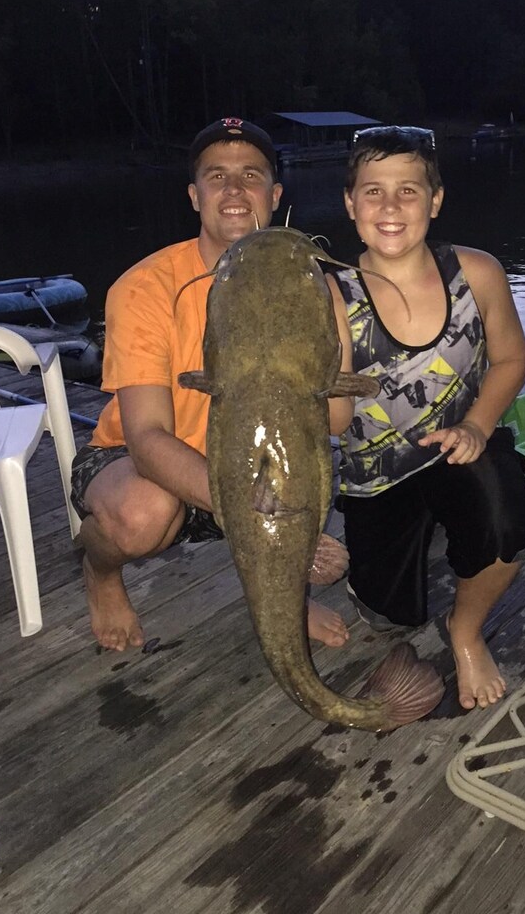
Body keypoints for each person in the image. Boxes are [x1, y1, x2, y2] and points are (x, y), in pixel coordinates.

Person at [71, 118, 354, 652]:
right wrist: (266, 517)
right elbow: (149, 441)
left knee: (303, 470)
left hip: (255, 466)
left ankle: (286, 596)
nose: (233, 190)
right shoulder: (144, 287)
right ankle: (100, 572)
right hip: (137, 462)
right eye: (216, 176)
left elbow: (336, 422)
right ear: (194, 195)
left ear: (272, 196)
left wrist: (326, 300)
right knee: (141, 517)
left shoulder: (305, 284)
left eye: (250, 176)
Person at [329, 125, 525, 710]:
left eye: (409, 191)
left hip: (460, 445)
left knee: (505, 523)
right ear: (350, 204)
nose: (390, 207)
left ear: (435, 200)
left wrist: (477, 424)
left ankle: (466, 631)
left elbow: (512, 358)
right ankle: (377, 569)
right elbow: (336, 422)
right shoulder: (328, 295)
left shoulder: (477, 272)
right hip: (375, 473)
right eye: (372, 191)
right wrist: (319, 367)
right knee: (387, 615)